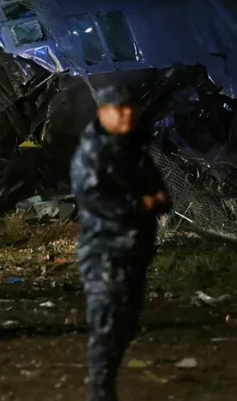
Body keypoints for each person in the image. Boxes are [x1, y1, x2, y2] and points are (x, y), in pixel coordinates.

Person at [69, 84, 171, 401]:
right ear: (103, 112)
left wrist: (152, 200)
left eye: (130, 108)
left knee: (126, 323)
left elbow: (160, 191)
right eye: (119, 109)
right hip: (105, 251)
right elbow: (96, 199)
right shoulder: (93, 152)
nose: (128, 114)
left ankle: (106, 387)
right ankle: (100, 393)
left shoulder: (132, 149)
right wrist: (141, 203)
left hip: (134, 249)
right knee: (106, 324)